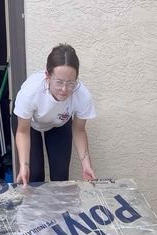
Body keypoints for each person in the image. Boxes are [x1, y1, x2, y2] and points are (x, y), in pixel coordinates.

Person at [12, 43, 96, 185]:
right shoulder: (30, 92)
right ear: (48, 76)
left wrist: (86, 164)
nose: (64, 89)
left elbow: (79, 130)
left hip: (59, 123)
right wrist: (24, 166)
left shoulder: (82, 95)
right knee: (34, 175)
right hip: (29, 125)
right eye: (59, 82)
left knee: (60, 175)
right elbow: (22, 132)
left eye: (70, 83)